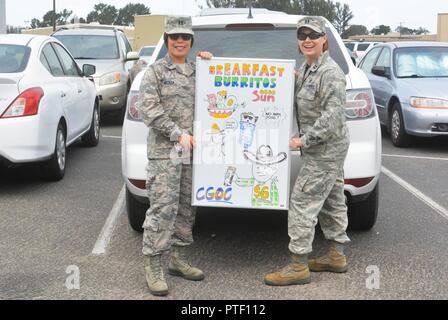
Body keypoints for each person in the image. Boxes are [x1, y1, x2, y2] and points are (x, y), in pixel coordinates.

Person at [264, 16, 351, 286]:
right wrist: (296, 78)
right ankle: (336, 256)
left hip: (324, 147)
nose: (307, 40)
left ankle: (298, 266)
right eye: (302, 36)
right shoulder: (309, 68)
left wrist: (303, 140)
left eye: (313, 34)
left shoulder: (331, 73)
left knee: (302, 202)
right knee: (332, 198)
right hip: (325, 148)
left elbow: (332, 116)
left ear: (324, 39)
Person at [137, 15, 213, 296]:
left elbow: (221, 90)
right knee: (162, 209)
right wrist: (176, 133)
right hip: (166, 153)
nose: (179, 41)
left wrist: (213, 64)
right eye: (174, 37)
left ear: (191, 42)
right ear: (167, 40)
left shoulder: (200, 70)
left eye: (185, 37)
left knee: (186, 206)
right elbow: (149, 109)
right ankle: (153, 265)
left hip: (192, 154)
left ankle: (179, 260)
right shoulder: (155, 72)